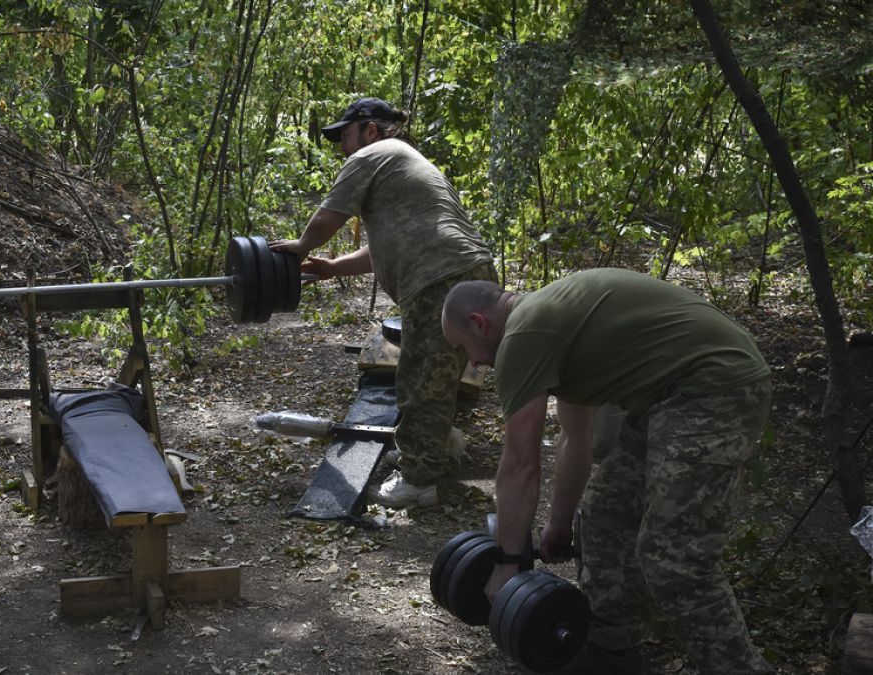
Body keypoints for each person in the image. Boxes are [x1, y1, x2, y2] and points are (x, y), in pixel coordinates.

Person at [441, 269, 773, 674]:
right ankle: (611, 651)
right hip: (667, 397)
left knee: (674, 558)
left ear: (479, 323)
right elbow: (574, 439)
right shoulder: (551, 322)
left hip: (715, 387)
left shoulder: (524, 336)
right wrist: (559, 526)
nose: (473, 362)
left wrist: (509, 563)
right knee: (604, 516)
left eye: (466, 348)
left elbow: (520, 464)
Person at [272, 97, 497, 509]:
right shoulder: (405, 162)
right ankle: (426, 449)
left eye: (345, 135)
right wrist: (332, 267)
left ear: (370, 130)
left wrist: (302, 245)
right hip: (470, 273)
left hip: (440, 280)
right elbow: (386, 249)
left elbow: (329, 215)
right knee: (438, 375)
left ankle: (419, 483)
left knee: (420, 380)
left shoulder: (371, 155)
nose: (342, 146)